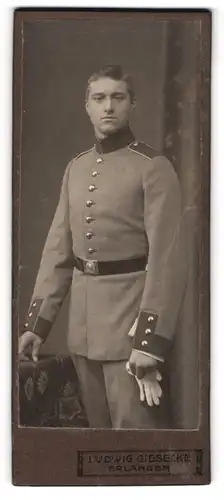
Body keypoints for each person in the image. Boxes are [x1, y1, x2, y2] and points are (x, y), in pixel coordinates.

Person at [19, 65, 187, 429]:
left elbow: (166, 262)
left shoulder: (153, 167)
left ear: (132, 104)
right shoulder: (76, 168)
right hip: (81, 331)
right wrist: (37, 325)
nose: (108, 106)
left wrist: (149, 342)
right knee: (96, 441)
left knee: (134, 443)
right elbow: (58, 252)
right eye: (99, 98)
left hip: (129, 332)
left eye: (117, 97)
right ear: (87, 106)